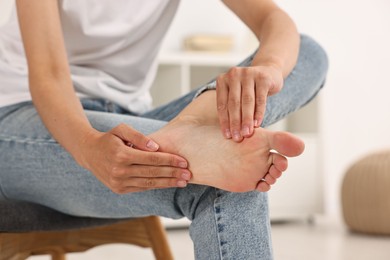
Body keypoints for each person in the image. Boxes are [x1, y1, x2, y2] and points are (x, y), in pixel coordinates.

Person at [0, 0, 328, 259]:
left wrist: (266, 70)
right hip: (25, 121)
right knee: (222, 176)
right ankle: (208, 138)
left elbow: (272, 17)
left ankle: (210, 119)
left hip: (130, 118)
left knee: (304, 51)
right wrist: (90, 148)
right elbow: (49, 75)